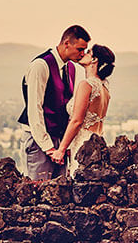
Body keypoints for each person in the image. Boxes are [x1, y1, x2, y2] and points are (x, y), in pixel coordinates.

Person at [19, 25, 90, 179]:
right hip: (39, 141)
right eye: (79, 49)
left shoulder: (70, 68)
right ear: (66, 43)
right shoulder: (40, 65)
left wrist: (64, 146)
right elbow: (34, 109)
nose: (82, 53)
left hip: (59, 141)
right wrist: (48, 147)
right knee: (37, 192)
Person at [51, 44, 115, 176]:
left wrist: (61, 149)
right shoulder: (105, 88)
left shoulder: (87, 85)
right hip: (98, 143)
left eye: (88, 52)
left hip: (82, 145)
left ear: (94, 60)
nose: (83, 54)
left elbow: (77, 121)